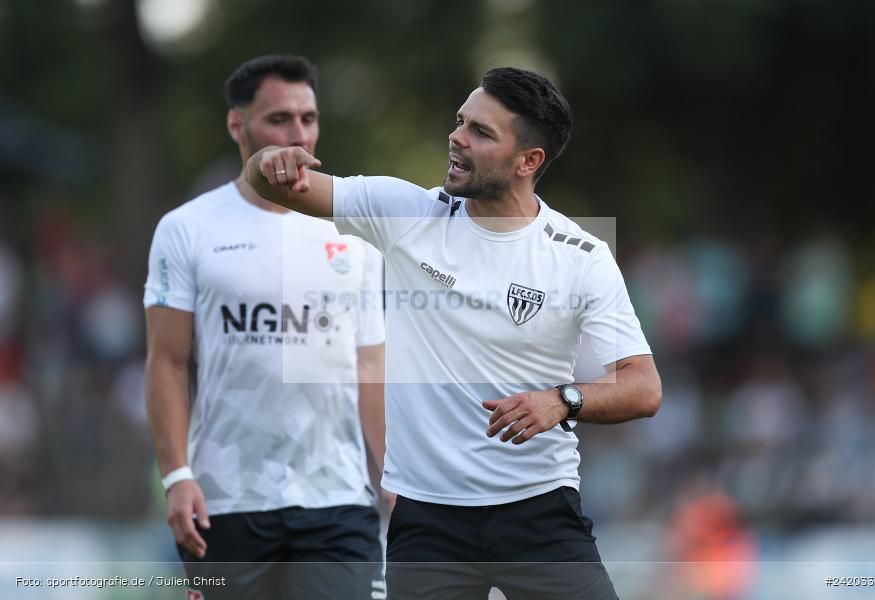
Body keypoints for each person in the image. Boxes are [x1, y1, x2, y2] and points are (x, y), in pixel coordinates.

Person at [246, 66, 662, 600]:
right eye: (461, 122)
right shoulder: (405, 213)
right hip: (428, 523)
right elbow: (274, 182)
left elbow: (644, 388)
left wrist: (563, 400)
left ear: (528, 162)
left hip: (539, 512)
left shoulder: (579, 256)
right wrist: (268, 162)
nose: (458, 138)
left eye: (482, 132)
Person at [144, 55, 389, 600]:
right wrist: (176, 475)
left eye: (308, 117)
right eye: (279, 119)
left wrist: (392, 476)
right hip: (226, 499)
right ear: (238, 125)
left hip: (337, 499)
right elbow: (167, 360)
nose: (297, 133)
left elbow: (370, 364)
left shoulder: (352, 233)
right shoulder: (187, 229)